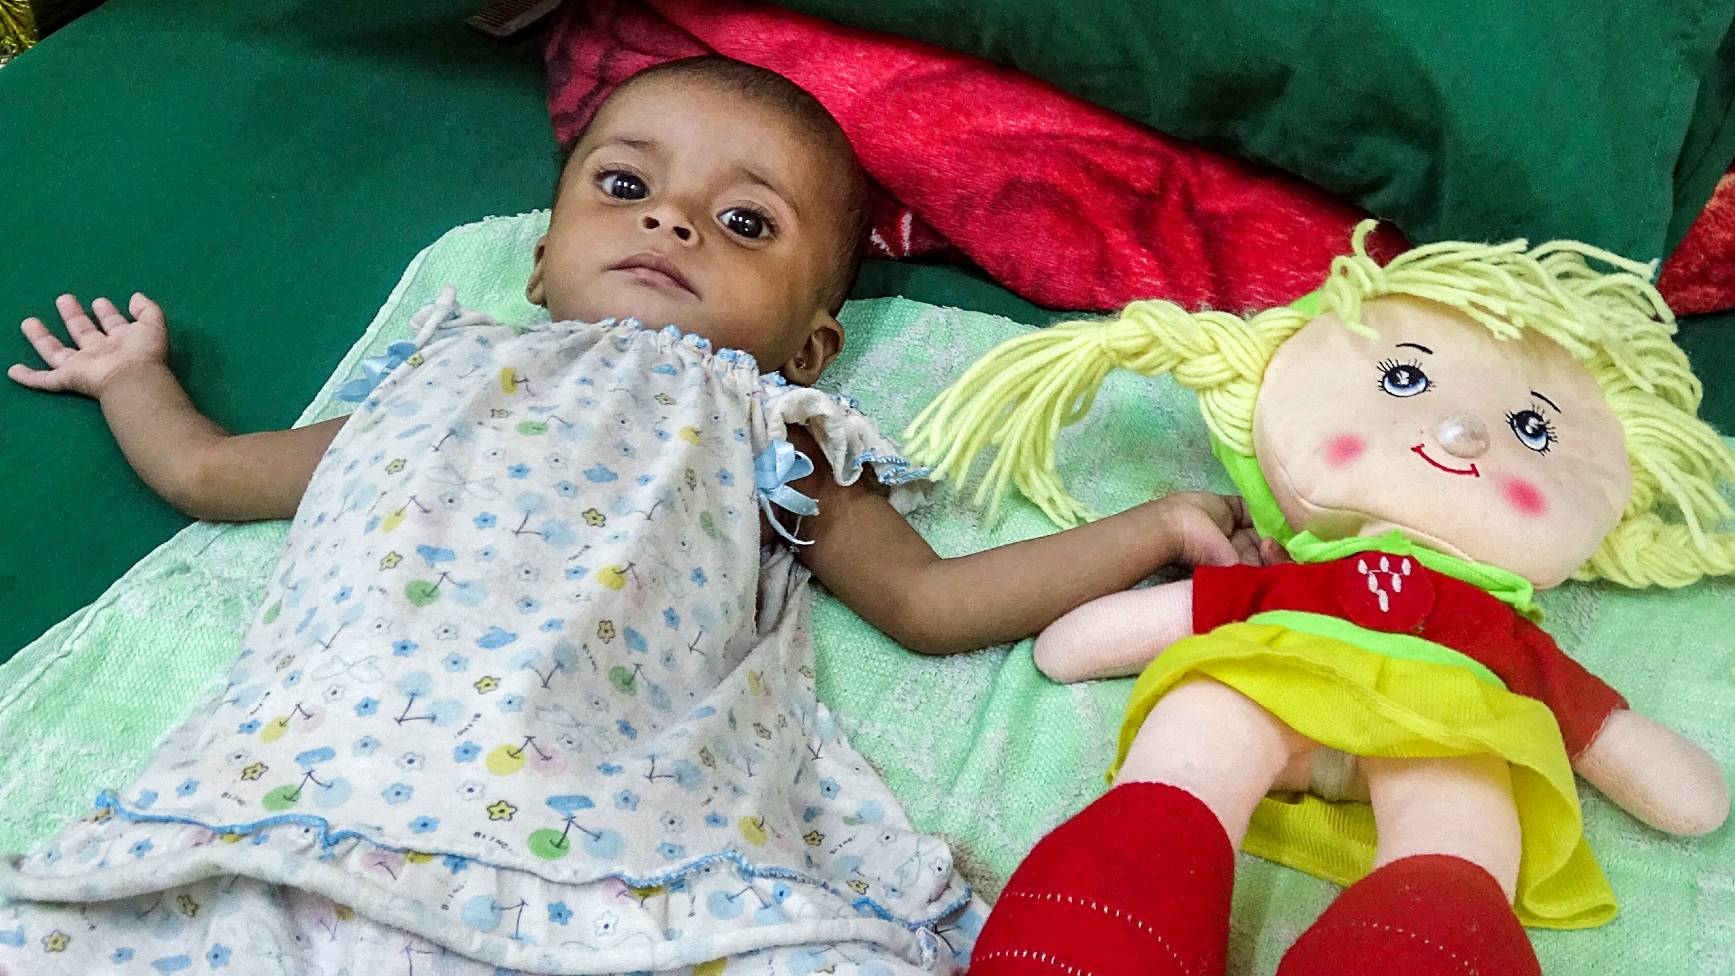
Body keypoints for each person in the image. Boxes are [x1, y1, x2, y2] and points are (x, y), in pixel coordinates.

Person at [1, 57, 1266, 975]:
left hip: (601, 801)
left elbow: (931, 602)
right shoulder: (442, 375)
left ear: (812, 343)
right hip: (323, 771)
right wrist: (131, 380)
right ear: (538, 261)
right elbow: (211, 473)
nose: (671, 219)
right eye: (624, 183)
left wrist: (1151, 527)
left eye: (745, 222)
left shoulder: (769, 426)